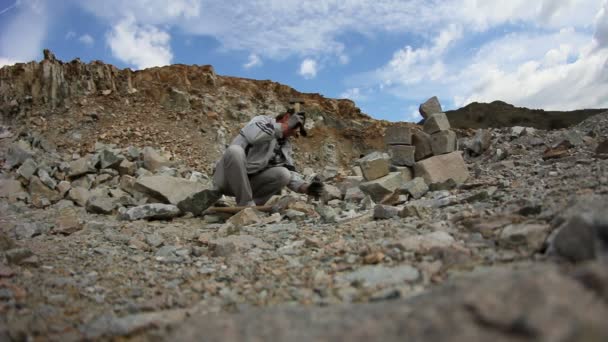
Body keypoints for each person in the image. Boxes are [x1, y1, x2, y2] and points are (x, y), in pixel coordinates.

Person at [212, 110, 324, 206]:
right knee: (235, 151)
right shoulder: (262, 121)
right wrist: (285, 126)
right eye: (296, 127)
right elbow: (254, 137)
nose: (296, 134)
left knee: (284, 174)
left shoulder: (284, 145)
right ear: (286, 118)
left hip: (248, 185)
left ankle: (252, 206)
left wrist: (305, 187)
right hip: (226, 180)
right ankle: (245, 205)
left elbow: (290, 172)